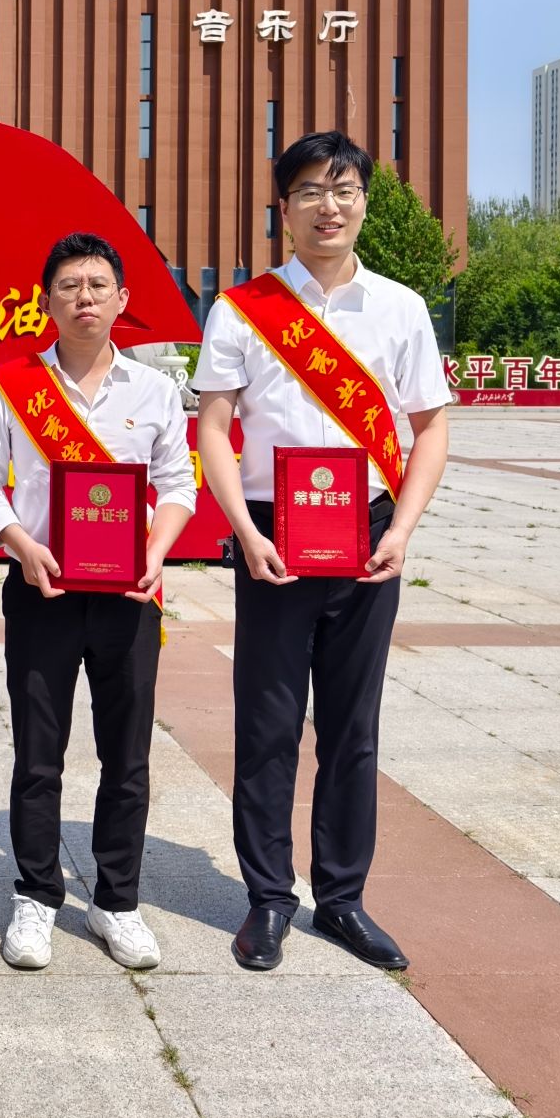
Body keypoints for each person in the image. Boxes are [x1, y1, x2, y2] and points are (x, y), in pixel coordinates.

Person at [192, 131, 451, 973]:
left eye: (343, 190)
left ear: (364, 202)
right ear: (284, 208)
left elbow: (430, 428)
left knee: (352, 727)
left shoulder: (401, 308)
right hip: (273, 533)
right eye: (309, 191)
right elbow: (215, 428)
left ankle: (342, 898)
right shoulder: (241, 309)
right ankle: (268, 897)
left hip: (368, 534)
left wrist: (401, 530)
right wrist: (244, 530)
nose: (327, 207)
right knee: (267, 724)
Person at [0, 232, 196, 971]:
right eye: (68, 286)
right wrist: (19, 544)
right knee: (39, 754)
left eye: (97, 285)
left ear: (122, 299)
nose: (84, 297)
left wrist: (155, 553)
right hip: (42, 591)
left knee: (126, 755)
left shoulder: (153, 391)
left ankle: (117, 902)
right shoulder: (11, 385)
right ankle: (36, 895)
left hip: (129, 595)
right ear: (47, 301)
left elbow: (178, 484)